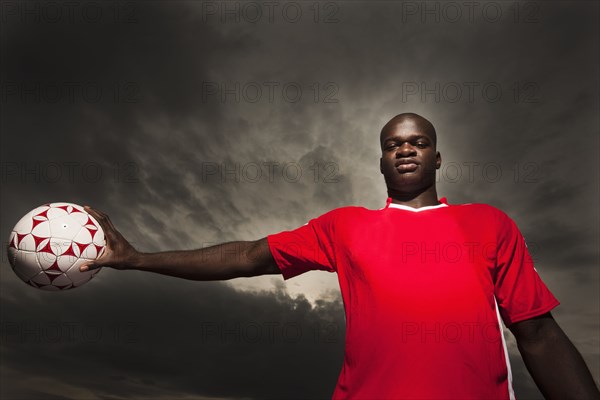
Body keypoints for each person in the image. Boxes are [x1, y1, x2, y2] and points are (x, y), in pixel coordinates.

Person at [80, 113, 600, 399]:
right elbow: (244, 256)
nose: (405, 148)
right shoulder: (347, 226)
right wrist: (137, 258)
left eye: (418, 141)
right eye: (394, 143)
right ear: (380, 161)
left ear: (437, 157)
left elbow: (539, 334)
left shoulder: (488, 223)